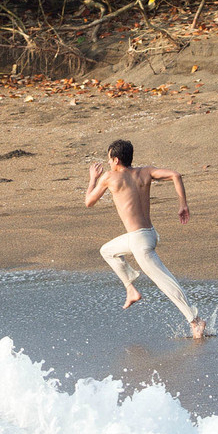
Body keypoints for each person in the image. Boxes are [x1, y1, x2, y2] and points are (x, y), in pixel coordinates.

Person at [85, 139, 206, 340]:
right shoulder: (145, 172)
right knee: (107, 250)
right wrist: (183, 204)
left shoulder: (109, 177)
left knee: (166, 283)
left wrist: (92, 179)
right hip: (147, 234)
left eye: (109, 159)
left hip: (140, 243)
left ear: (115, 159)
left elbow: (89, 202)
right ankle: (130, 287)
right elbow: (175, 175)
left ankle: (195, 321)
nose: (108, 164)